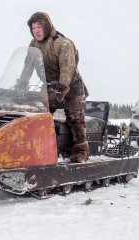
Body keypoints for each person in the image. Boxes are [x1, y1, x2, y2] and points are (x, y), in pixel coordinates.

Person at [26, 12, 90, 163]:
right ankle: (40, 149)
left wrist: (60, 91)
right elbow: (27, 67)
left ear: (46, 26)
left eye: (39, 27)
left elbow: (67, 69)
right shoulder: (33, 45)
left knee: (75, 118)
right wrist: (20, 83)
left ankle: (82, 151)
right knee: (39, 115)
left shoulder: (63, 43)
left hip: (70, 85)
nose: (36, 30)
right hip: (50, 84)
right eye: (33, 27)